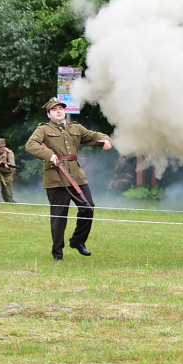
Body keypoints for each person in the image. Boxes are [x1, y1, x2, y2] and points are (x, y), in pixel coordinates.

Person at [25, 98, 113, 261]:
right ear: (49, 113)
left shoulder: (75, 127)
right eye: (55, 109)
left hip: (76, 176)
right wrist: (49, 155)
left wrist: (105, 139)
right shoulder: (43, 130)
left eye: (61, 108)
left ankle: (78, 241)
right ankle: (58, 253)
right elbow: (31, 145)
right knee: (59, 217)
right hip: (56, 177)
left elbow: (93, 136)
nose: (59, 111)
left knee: (88, 207)